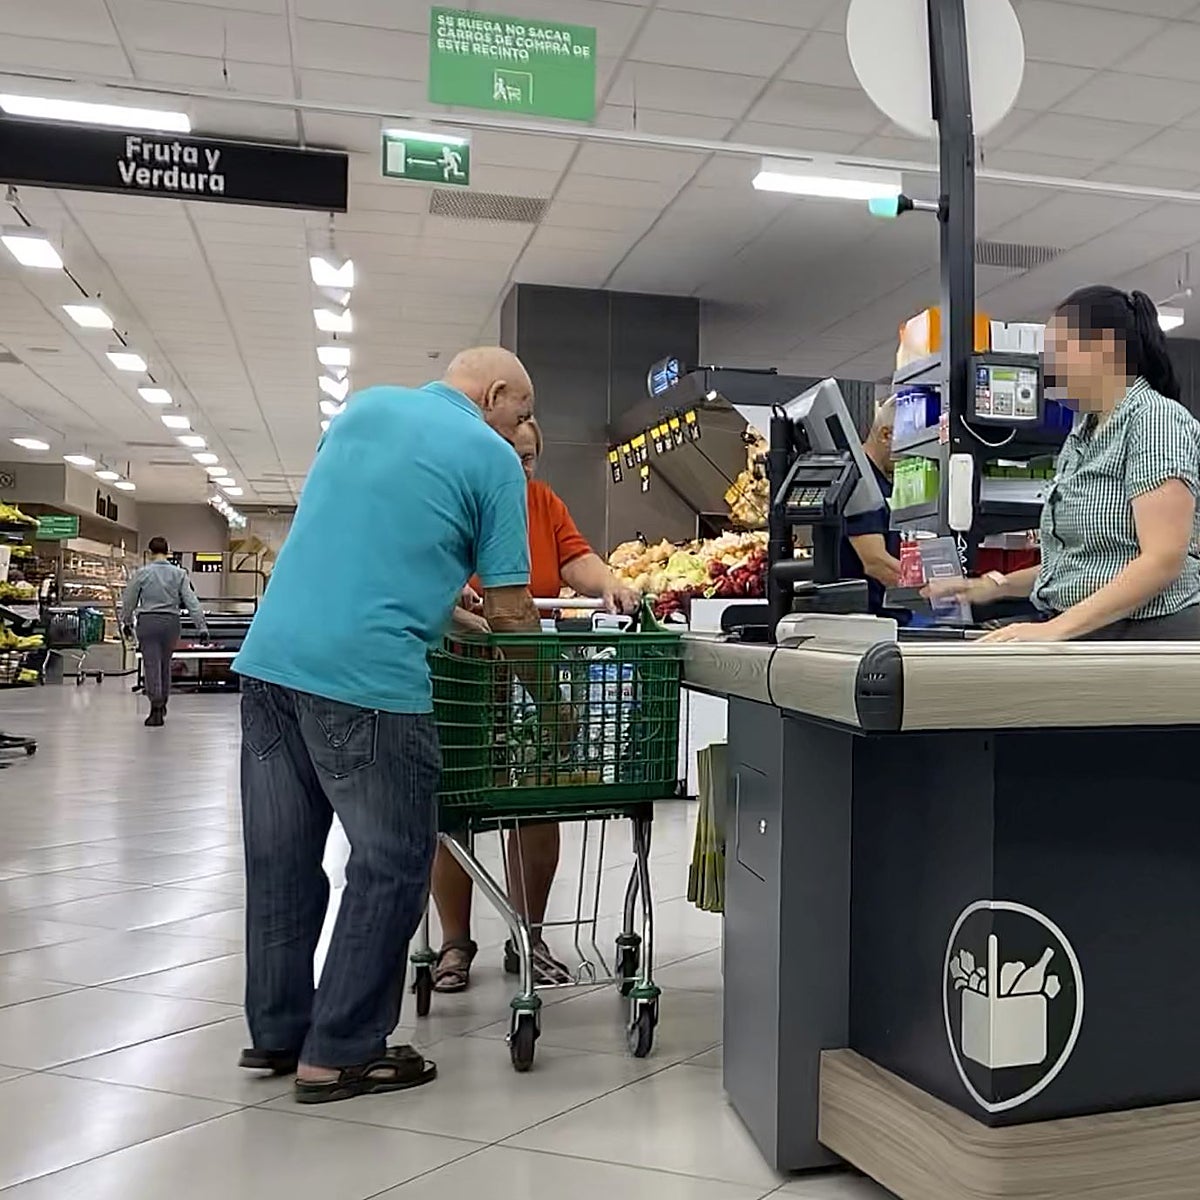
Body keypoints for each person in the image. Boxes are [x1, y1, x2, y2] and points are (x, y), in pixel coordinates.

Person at [232, 346, 546, 1104]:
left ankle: (278, 1035)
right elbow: (512, 607)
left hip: (270, 662)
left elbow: (357, 544)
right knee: (393, 858)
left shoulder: (362, 409)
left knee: (280, 862)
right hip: (367, 681)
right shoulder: (494, 459)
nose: (524, 429)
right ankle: (339, 1051)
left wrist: (442, 606)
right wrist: (552, 695)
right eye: (524, 412)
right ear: (496, 394)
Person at [431, 417, 641, 993]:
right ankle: (454, 941)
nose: (518, 468)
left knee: (538, 801)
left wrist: (609, 583)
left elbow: (576, 559)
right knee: (457, 809)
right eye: (509, 455)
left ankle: (530, 934)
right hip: (465, 669)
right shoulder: (455, 498)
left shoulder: (542, 502)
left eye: (527, 460)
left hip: (533, 675)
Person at [934, 286, 1200, 642]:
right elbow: (1084, 565)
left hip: (1148, 636)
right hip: (1091, 629)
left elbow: (1163, 559)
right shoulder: (1084, 433)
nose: (1049, 364)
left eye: (1059, 350)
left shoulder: (1154, 420)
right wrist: (993, 586)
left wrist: (1052, 631)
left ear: (1105, 347)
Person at [121, 537, 206, 727]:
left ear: (150, 552)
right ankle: (163, 703)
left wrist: (126, 621)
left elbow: (129, 600)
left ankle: (155, 708)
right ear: (168, 552)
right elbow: (192, 601)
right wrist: (201, 626)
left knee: (151, 664)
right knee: (165, 664)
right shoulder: (180, 574)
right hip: (171, 623)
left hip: (148, 622)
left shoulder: (142, 573)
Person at [840, 397, 902, 614]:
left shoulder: (880, 481)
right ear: (887, 435)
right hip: (868, 617)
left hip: (886, 614)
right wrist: (934, 592)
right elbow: (876, 563)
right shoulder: (861, 479)